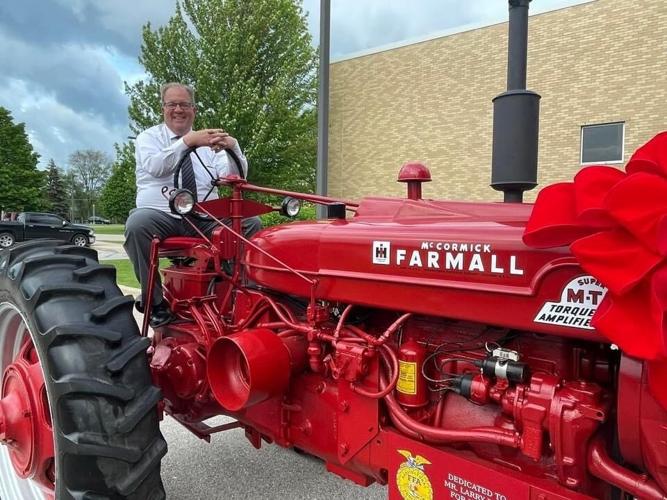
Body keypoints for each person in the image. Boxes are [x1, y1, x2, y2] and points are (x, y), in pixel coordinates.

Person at [124, 82, 261, 327]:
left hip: (203, 218)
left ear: (194, 109)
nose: (178, 109)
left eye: (184, 104)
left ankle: (242, 293)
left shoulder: (208, 145)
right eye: (172, 104)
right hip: (162, 216)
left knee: (250, 222)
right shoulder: (149, 138)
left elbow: (232, 177)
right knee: (137, 223)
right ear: (163, 108)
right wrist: (188, 142)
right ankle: (154, 302)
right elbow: (157, 167)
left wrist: (233, 147)